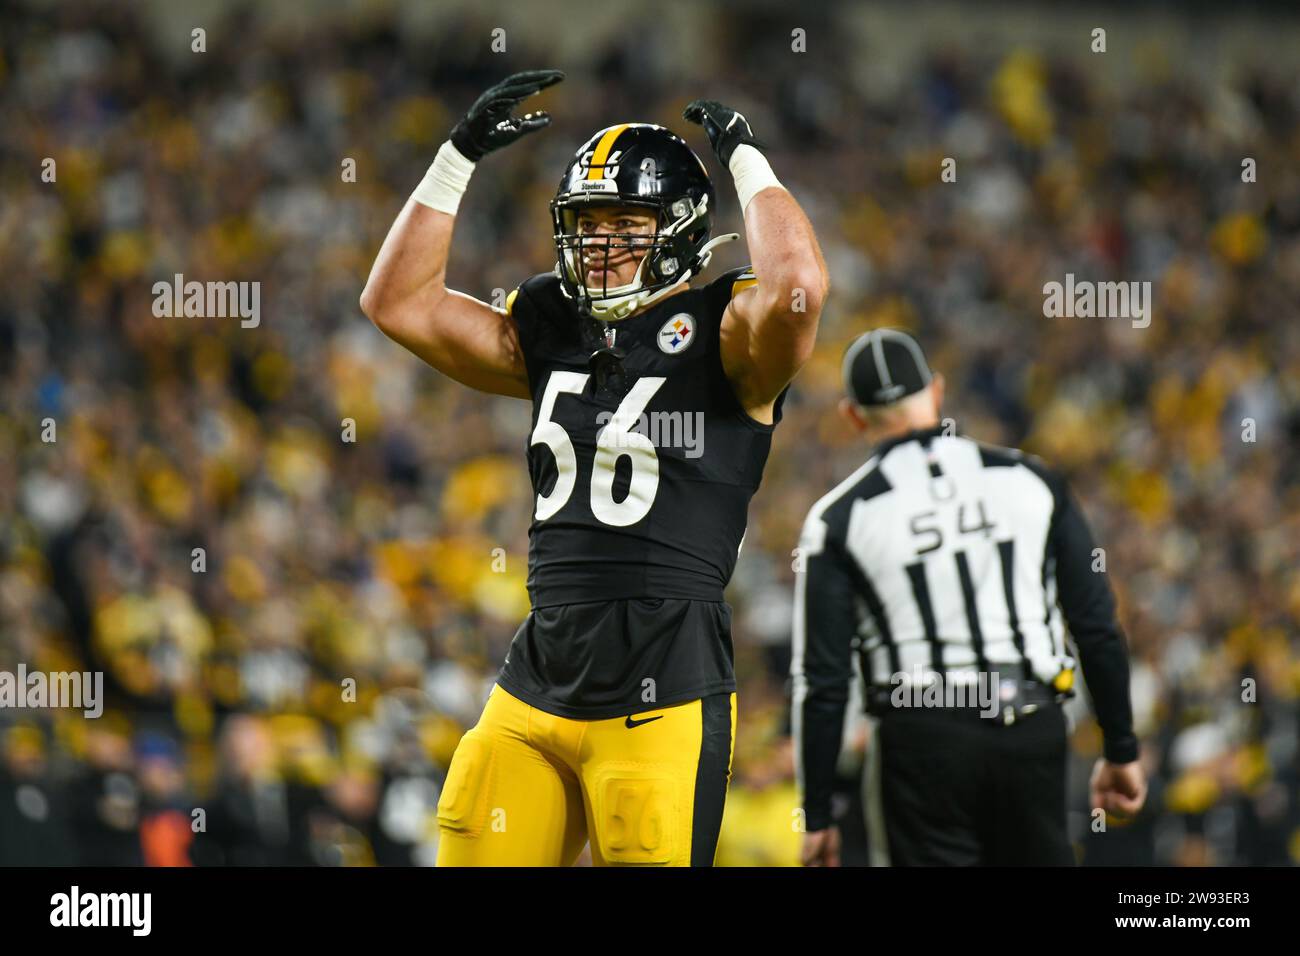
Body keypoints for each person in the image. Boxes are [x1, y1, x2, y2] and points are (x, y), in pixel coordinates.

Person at [361, 71, 828, 865]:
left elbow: (800, 289)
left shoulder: (725, 331)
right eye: (587, 224)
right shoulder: (553, 325)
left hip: (662, 683)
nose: (600, 244)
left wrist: (747, 158)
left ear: (679, 229)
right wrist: (458, 155)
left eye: (624, 223)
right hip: (540, 671)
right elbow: (396, 302)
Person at [793, 328, 1146, 866]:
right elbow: (1095, 623)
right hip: (1028, 715)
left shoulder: (839, 519)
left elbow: (822, 681)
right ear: (936, 392)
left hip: (920, 730)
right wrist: (1120, 746)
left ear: (853, 416)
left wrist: (818, 813)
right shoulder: (1029, 478)